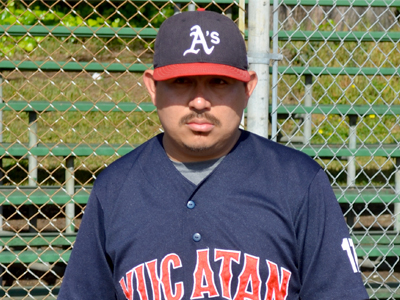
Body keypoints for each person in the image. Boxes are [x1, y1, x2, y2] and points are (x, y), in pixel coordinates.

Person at [58, 9, 369, 300]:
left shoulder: (299, 182)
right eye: (181, 82)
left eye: (219, 82)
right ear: (152, 87)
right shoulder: (114, 188)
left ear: (248, 88)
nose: (199, 102)